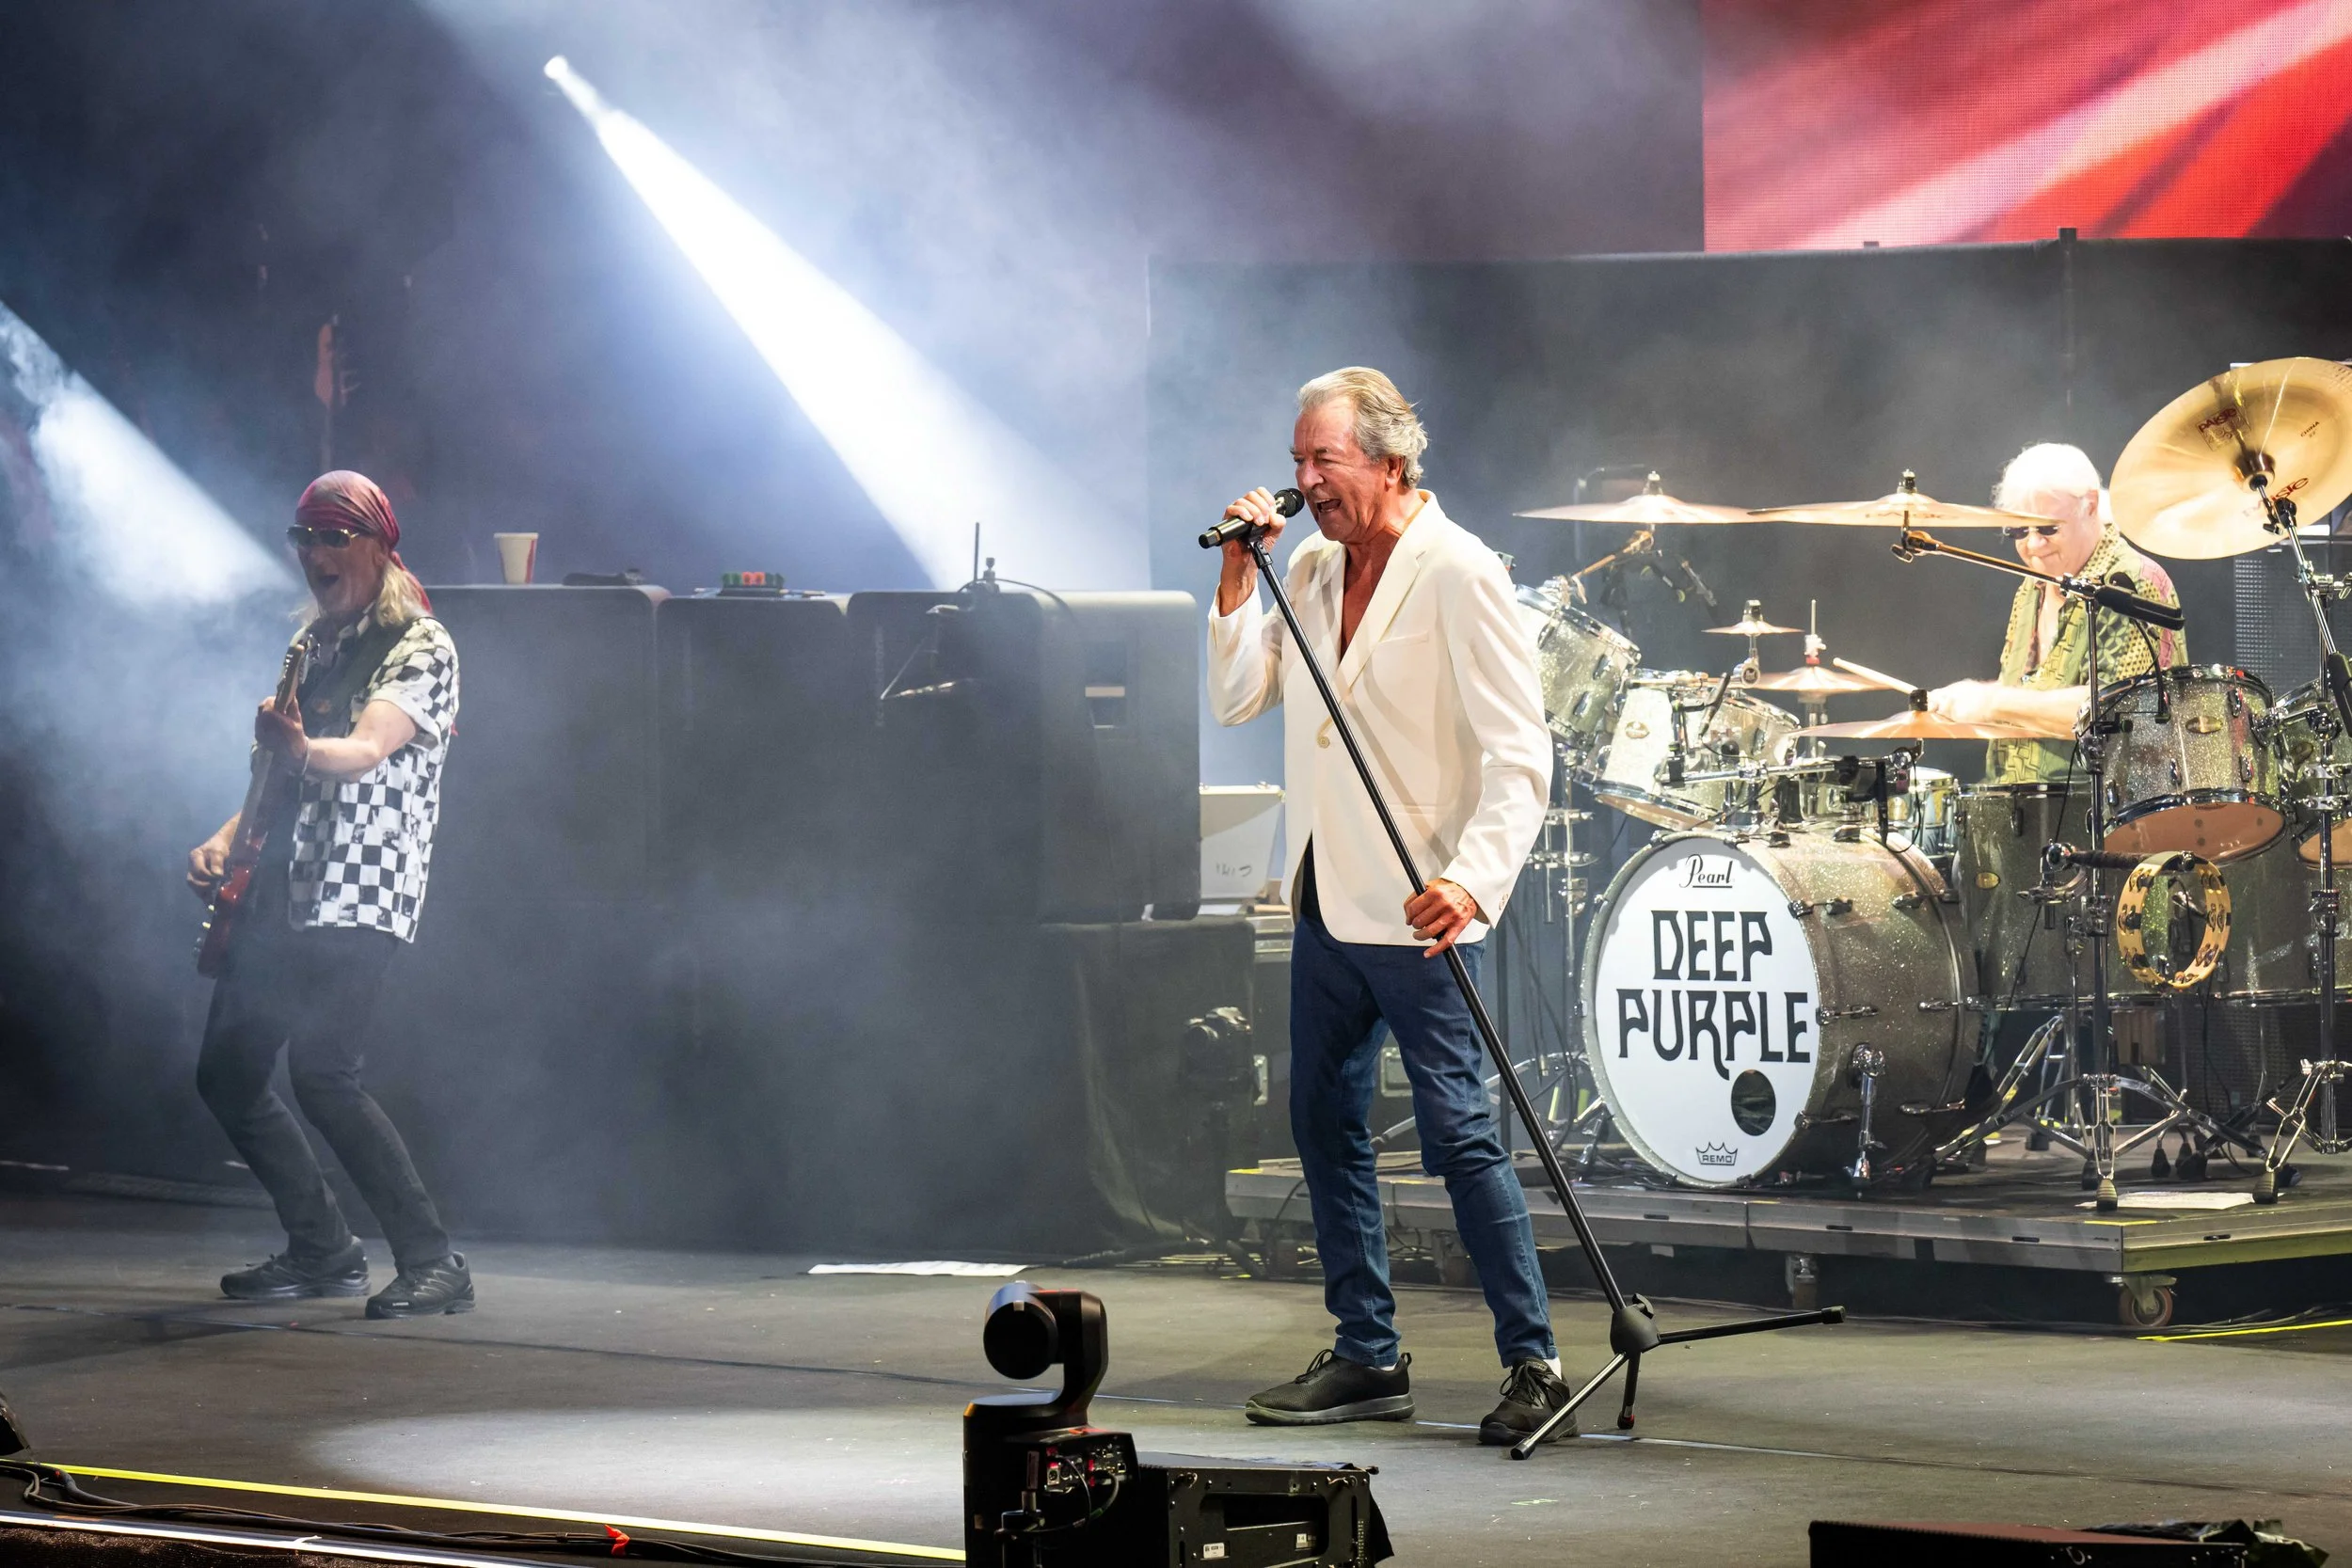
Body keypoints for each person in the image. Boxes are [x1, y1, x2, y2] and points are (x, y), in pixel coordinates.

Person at [1207, 368, 1567, 1446]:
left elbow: (1520, 752)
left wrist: (1473, 876)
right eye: (1298, 461)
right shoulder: (1307, 567)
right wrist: (1238, 573)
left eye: (1327, 460)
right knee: (1323, 1124)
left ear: (1391, 461)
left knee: (1460, 1133)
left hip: (1419, 907)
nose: (1306, 480)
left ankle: (1533, 1361)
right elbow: (1236, 697)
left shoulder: (1460, 571)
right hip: (1324, 895)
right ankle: (1367, 1351)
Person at [185, 471, 471, 1319]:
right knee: (228, 1072)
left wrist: (302, 745)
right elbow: (279, 769)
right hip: (286, 886)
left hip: (360, 888)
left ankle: (434, 1260)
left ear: (377, 545)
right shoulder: (312, 647)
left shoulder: (421, 645)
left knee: (323, 1075)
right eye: (304, 539)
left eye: (332, 538)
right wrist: (227, 837)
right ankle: (323, 1248)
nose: (314, 555)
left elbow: (365, 749)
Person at [1928, 441, 2185, 781]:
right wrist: (1963, 700)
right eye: (2020, 530)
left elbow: (2112, 712)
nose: (2033, 545)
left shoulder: (2129, 582)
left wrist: (1991, 702)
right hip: (2019, 808)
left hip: (2103, 816)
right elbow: (2031, 695)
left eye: (2048, 528)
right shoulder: (2031, 586)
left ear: (2090, 505)